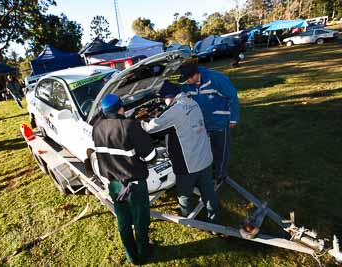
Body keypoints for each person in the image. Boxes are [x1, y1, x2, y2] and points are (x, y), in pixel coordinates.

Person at [92, 94, 156, 265]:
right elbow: (150, 155)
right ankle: (143, 253)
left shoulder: (96, 128)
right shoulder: (130, 126)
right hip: (134, 184)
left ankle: (131, 256)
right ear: (121, 108)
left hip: (114, 184)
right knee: (140, 220)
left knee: (123, 220)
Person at [142, 81, 219, 222]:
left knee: (184, 194)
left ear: (169, 97)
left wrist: (141, 122)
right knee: (208, 191)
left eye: (163, 98)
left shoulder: (175, 110)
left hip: (188, 165)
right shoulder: (192, 102)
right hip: (205, 157)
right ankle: (214, 218)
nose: (163, 102)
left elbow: (151, 128)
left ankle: (188, 218)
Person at [180, 63, 239, 185]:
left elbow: (232, 97)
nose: (187, 82)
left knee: (221, 149)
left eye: (188, 79)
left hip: (220, 122)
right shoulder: (188, 85)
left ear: (196, 75)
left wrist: (233, 119)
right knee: (206, 150)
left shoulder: (217, 79)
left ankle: (220, 173)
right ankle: (208, 172)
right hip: (203, 124)